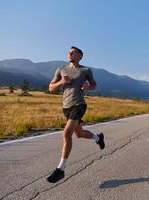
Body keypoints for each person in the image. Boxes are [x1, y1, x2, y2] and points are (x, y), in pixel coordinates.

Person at [46, 46, 105, 183]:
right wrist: (61, 82)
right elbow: (50, 88)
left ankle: (61, 169)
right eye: (69, 52)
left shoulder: (85, 70)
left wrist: (88, 87)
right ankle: (98, 138)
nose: (70, 54)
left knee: (67, 133)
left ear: (80, 56)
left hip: (79, 105)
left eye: (73, 52)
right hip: (66, 107)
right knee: (79, 134)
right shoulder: (61, 70)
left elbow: (94, 84)